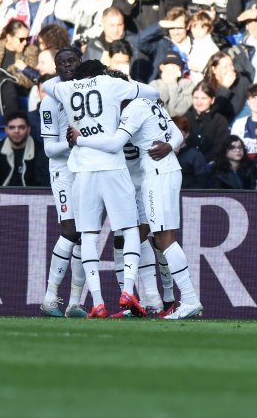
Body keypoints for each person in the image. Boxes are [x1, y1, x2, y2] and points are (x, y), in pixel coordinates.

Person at [43, 58, 160, 318]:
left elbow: (46, 84)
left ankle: (97, 302)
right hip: (112, 167)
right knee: (129, 229)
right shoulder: (112, 83)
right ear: (101, 72)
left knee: (88, 235)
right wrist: (127, 84)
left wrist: (70, 81)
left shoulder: (65, 88)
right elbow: (154, 93)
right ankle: (127, 290)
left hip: (82, 170)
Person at [71, 94, 203, 319]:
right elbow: (177, 134)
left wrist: (80, 139)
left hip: (156, 174)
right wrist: (170, 145)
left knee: (163, 239)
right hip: (163, 171)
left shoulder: (131, 110)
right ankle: (154, 300)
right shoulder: (149, 103)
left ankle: (189, 299)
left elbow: (114, 145)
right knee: (146, 237)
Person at [38, 61, 88, 318]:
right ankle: (49, 297)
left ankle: (74, 303)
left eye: (73, 61)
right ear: (57, 66)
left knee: (85, 234)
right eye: (63, 62)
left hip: (86, 169)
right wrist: (74, 143)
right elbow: (48, 149)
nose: (68, 65)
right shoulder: (49, 101)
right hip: (63, 172)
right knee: (69, 230)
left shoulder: (84, 92)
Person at [0, 110, 47, 186]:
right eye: (12, 128)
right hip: (3, 195)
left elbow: (43, 184)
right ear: (6, 130)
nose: (16, 131)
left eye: (21, 127)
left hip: (31, 196)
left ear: (28, 130)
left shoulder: (40, 150)